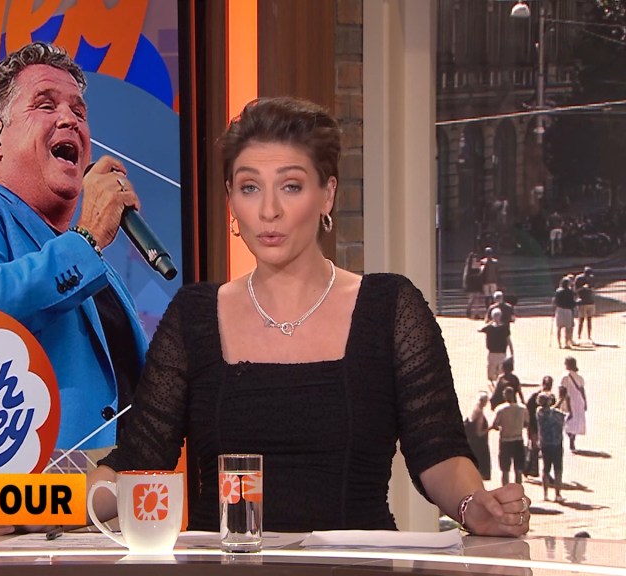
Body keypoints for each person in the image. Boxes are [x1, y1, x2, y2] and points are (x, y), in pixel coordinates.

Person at [86, 97, 529, 536]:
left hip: (354, 567)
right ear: (231, 199)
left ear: (327, 195)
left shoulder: (390, 307)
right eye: (250, 187)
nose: (269, 211)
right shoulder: (194, 315)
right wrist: (44, 503)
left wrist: (474, 506)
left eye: (291, 186)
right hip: (225, 567)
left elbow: (439, 452)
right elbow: (138, 461)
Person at [0, 42, 148, 450]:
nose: (69, 120)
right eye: (46, 105)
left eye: (79, 112)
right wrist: (86, 239)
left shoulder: (99, 268)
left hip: (124, 482)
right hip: (38, 478)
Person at [491, 387, 528, 486]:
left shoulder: (500, 409)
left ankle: (505, 490)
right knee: (518, 469)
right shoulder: (522, 408)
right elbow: (526, 423)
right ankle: (518, 490)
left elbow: (495, 424)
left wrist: (500, 427)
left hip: (505, 441)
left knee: (505, 470)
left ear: (504, 396)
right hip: (518, 440)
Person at [536, 393, 566, 503]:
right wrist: (562, 400)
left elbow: (551, 410)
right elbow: (562, 418)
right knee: (558, 469)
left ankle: (545, 494)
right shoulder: (557, 414)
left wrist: (560, 400)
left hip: (545, 443)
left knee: (546, 469)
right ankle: (557, 494)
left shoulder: (539, 412)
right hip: (556, 443)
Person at [524, 376, 555, 479]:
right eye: (547, 385)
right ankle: (532, 469)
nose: (548, 387)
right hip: (534, 427)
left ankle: (541, 472)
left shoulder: (552, 398)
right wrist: (528, 426)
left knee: (545, 451)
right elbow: (528, 411)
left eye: (550, 385)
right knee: (535, 449)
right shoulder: (535, 397)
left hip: (546, 429)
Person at [480, 308, 513, 387]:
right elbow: (508, 340)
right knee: (499, 371)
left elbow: (480, 329)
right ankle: (497, 384)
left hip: (495, 352)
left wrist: (490, 322)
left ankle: (496, 385)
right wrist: (512, 351)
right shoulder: (504, 327)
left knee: (493, 371)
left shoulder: (489, 328)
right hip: (500, 352)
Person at [560, 356, 587, 452]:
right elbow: (582, 391)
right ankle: (572, 439)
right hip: (579, 401)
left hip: (569, 401)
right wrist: (585, 402)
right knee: (575, 421)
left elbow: (562, 390)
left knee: (567, 421)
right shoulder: (580, 378)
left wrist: (560, 402)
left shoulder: (565, 377)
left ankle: (571, 438)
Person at [465, 392, 492, 481]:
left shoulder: (473, 412)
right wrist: (490, 428)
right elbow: (479, 433)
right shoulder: (480, 414)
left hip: (472, 444)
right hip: (480, 446)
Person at [553, 277, 576, 349]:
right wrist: (577, 303)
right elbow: (572, 302)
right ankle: (566, 343)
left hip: (559, 310)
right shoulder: (569, 291)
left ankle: (559, 343)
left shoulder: (558, 291)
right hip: (567, 310)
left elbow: (554, 301)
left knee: (559, 327)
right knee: (568, 327)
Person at [463, 251, 484, 319]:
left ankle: (476, 313)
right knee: (473, 298)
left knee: (476, 298)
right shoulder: (470, 267)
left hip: (476, 283)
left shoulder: (473, 265)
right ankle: (470, 310)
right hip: (473, 283)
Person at [575, 277, 595, 344]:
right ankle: (579, 335)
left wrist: (589, 288)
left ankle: (589, 335)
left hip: (590, 303)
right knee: (581, 320)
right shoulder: (579, 280)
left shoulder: (591, 280)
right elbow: (576, 291)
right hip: (583, 303)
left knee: (589, 320)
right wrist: (583, 288)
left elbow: (593, 290)